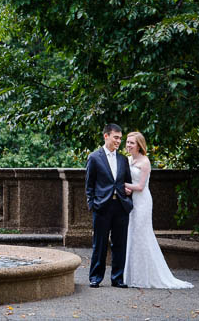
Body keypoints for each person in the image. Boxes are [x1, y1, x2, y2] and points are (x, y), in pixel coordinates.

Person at [123, 131, 193, 288]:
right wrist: (126, 189)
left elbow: (140, 187)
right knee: (132, 235)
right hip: (131, 201)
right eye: (127, 142)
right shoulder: (127, 160)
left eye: (132, 143)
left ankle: (146, 276)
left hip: (142, 202)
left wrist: (123, 186)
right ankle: (131, 276)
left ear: (139, 145)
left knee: (141, 235)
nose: (128, 145)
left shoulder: (145, 162)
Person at [85, 123, 133, 288]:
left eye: (120, 138)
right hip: (102, 207)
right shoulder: (94, 157)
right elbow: (89, 185)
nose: (119, 141)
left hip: (120, 207)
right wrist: (92, 204)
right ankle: (95, 278)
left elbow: (128, 182)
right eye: (116, 137)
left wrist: (128, 199)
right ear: (106, 136)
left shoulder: (123, 159)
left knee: (120, 244)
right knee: (99, 243)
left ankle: (117, 278)